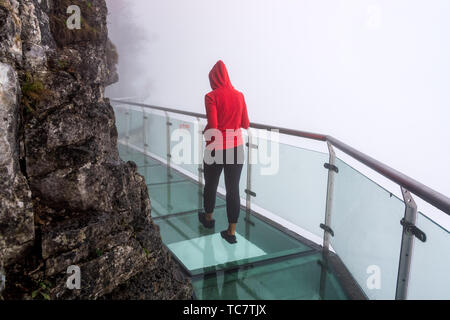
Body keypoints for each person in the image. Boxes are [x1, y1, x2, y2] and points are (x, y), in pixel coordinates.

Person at [198, 60, 250, 244]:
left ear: (213, 78)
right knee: (233, 189)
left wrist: (206, 132)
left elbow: (213, 126)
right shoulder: (239, 95)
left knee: (211, 184)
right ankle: (231, 232)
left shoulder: (211, 96)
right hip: (236, 148)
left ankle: (209, 218)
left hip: (215, 148)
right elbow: (245, 124)